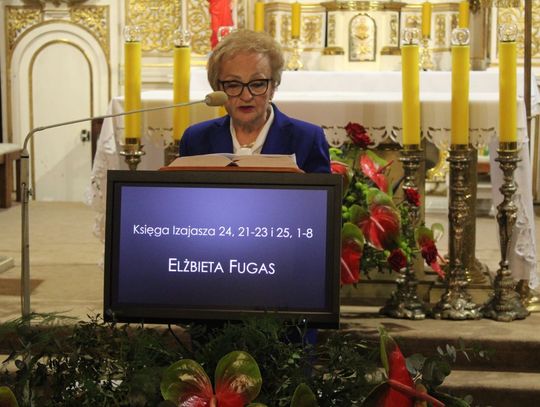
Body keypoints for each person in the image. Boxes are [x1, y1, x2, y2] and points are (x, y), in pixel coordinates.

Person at [179, 29, 330, 174]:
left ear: (273, 87)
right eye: (233, 85)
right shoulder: (195, 139)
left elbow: (322, 192)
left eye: (257, 84)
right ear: (218, 89)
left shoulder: (308, 139)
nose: (246, 96)